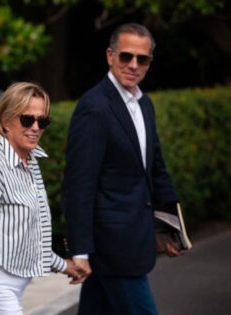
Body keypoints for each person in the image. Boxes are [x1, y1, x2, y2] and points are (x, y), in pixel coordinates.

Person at [62, 23, 183, 315]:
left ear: (149, 62)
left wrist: (169, 228)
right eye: (126, 56)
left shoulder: (145, 104)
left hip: (134, 239)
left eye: (142, 59)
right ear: (109, 56)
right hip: (112, 248)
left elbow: (154, 169)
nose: (133, 65)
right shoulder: (94, 107)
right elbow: (78, 185)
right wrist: (79, 251)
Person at [0, 82, 80, 315]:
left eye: (43, 121)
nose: (36, 127)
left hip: (17, 284)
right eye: (27, 120)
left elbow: (33, 237)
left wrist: (64, 266)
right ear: (6, 121)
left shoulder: (31, 161)